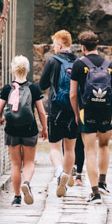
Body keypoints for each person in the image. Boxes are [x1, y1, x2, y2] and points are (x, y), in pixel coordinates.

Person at [70, 30, 112, 202]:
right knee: (104, 146)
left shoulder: (78, 64)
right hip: (105, 111)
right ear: (97, 45)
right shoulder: (110, 65)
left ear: (82, 47)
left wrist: (77, 114)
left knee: (90, 151)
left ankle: (95, 192)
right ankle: (103, 182)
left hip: (87, 111)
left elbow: (73, 95)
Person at [0, 54, 47, 206]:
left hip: (12, 130)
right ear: (28, 70)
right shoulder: (34, 88)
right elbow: (42, 112)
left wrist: (1, 119)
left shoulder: (7, 88)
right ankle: (27, 183)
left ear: (13, 70)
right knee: (29, 162)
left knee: (15, 164)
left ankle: (17, 197)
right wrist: (44, 128)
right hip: (30, 129)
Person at [39, 30, 84, 197]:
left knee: (55, 147)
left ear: (60, 44)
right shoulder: (79, 62)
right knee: (70, 148)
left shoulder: (53, 61)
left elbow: (43, 85)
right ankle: (65, 178)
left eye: (54, 44)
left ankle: (59, 174)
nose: (53, 47)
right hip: (74, 110)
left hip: (56, 110)